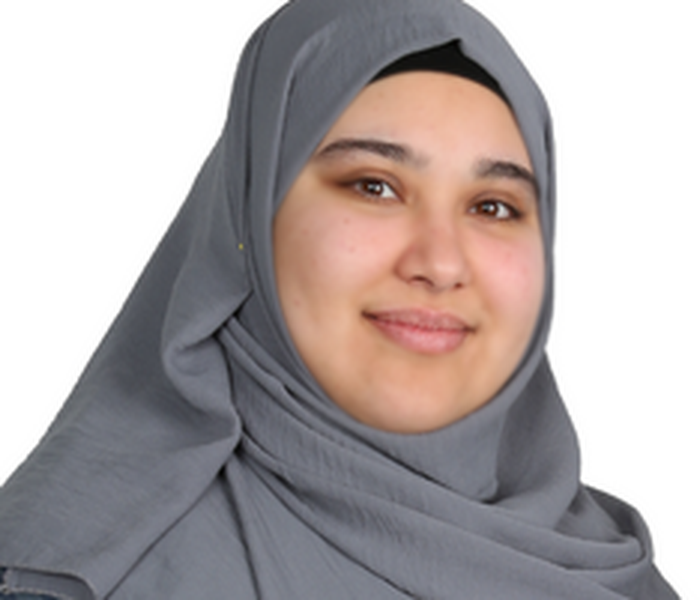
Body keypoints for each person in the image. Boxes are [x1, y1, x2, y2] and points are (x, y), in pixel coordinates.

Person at [0, 0, 680, 598]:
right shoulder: (89, 576)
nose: (441, 263)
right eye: (374, 186)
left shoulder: (611, 570)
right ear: (251, 216)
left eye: (493, 205)